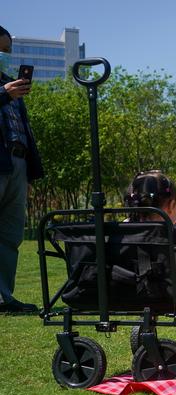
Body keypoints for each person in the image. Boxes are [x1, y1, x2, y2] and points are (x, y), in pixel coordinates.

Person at [0, 25, 44, 313]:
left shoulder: (7, 84)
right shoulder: (4, 89)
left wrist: (29, 169)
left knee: (10, 235)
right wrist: (3, 93)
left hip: (15, 163)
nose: (4, 56)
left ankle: (4, 297)